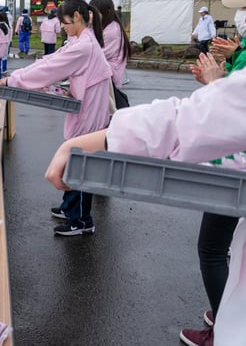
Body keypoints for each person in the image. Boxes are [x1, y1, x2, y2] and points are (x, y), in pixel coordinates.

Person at [44, 57, 246, 346]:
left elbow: (203, 118)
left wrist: (91, 142)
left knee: (211, 250)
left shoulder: (87, 46)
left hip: (230, 167)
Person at [0, 0, 112, 236]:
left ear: (78, 17)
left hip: (89, 110)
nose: (62, 27)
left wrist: (14, 79)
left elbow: (50, 69)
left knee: (79, 160)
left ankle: (81, 220)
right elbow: (50, 60)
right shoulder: (79, 39)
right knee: (74, 155)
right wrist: (19, 75)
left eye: (65, 22)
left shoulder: (83, 46)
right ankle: (71, 207)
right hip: (86, 105)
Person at [177, 0, 246, 346]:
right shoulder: (243, 49)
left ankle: (225, 330)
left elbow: (236, 113)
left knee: (212, 249)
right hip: (233, 159)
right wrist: (218, 77)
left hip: (236, 166)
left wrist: (216, 84)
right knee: (231, 248)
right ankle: (230, 311)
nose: (239, 16)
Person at [89, 0, 131, 90]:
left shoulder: (112, 31)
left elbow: (97, 55)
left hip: (108, 79)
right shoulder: (101, 26)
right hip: (102, 76)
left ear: (106, 12)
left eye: (95, 12)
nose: (91, 15)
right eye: (90, 12)